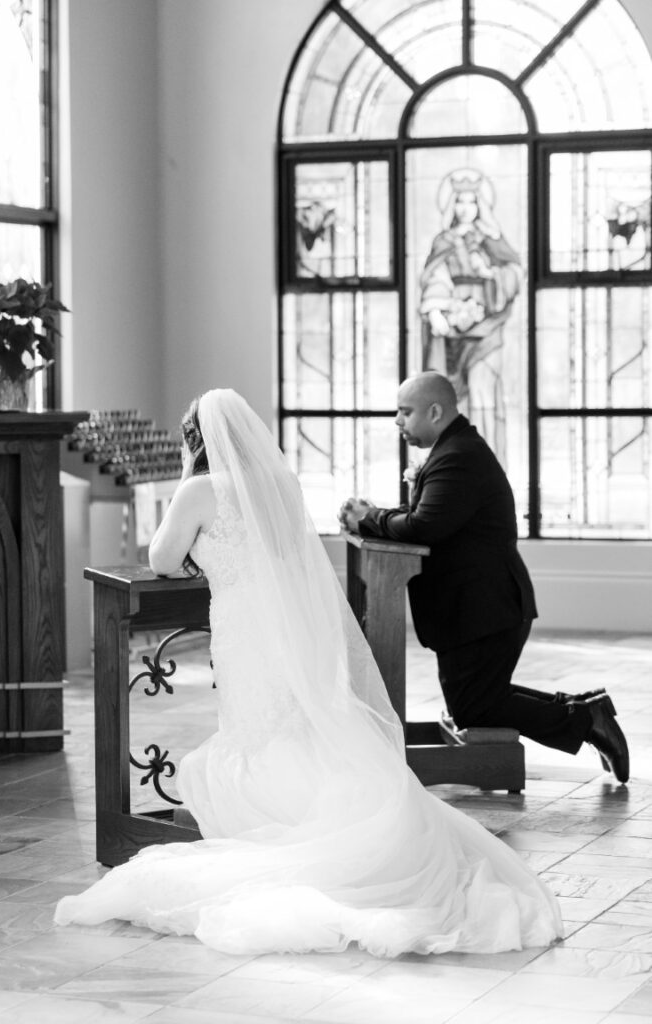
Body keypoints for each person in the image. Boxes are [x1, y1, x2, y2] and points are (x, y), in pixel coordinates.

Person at [55, 387, 564, 957]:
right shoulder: (280, 484)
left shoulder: (200, 489)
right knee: (295, 726)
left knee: (256, 733)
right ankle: (321, 819)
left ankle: (290, 831)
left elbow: (161, 560)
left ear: (196, 440)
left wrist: (190, 505)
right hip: (289, 629)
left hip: (244, 631)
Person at [340, 372, 630, 784]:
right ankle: (586, 709)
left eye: (405, 412)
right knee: (482, 700)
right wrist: (377, 517)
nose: (397, 422)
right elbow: (431, 519)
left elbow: (425, 526)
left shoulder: (459, 455)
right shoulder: (453, 449)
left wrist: (369, 517)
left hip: (483, 607)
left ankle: (586, 719)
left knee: (476, 708)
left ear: (435, 411)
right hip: (473, 607)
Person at [419, 169, 522, 465]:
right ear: (452, 205)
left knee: (483, 394)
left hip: (487, 330)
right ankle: (454, 465)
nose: (466, 208)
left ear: (481, 205)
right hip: (452, 332)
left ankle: (486, 463)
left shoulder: (492, 240)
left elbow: (514, 273)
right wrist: (437, 310)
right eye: (460, 202)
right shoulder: (444, 241)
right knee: (453, 400)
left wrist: (490, 274)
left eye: (472, 202)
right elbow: (434, 277)